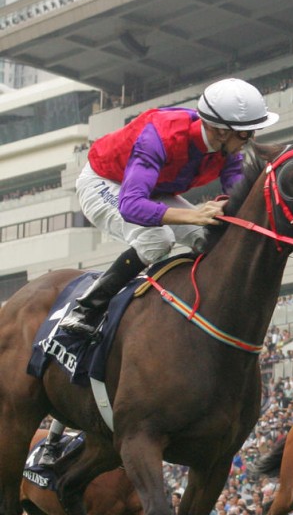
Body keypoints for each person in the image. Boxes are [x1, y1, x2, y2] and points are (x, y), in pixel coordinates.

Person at [37, 79, 280, 467]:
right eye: (245, 133)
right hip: (106, 183)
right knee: (156, 241)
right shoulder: (160, 135)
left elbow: (236, 196)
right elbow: (133, 205)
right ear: (219, 131)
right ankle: (86, 307)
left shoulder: (227, 146)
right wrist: (191, 212)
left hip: (155, 188)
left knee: (209, 239)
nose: (249, 139)